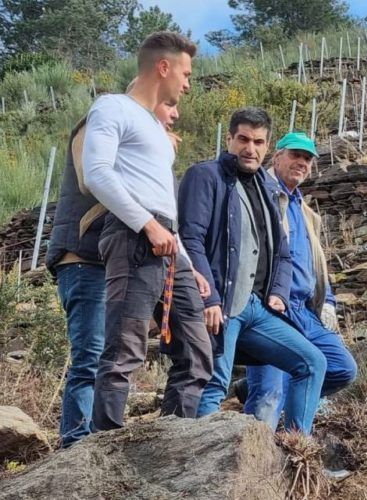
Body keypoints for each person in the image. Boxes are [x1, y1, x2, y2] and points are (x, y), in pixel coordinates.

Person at [46, 84, 200, 445]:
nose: (175, 115)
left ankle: (109, 441)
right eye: (168, 106)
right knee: (93, 355)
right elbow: (90, 180)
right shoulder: (95, 124)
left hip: (116, 260)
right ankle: (77, 447)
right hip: (83, 259)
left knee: (112, 350)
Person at [83, 31, 213, 431]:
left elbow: (165, 203)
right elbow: (97, 173)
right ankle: (104, 453)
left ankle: (170, 443)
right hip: (133, 235)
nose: (188, 84)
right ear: (164, 67)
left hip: (165, 240)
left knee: (196, 353)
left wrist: (188, 263)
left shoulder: (157, 129)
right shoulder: (112, 107)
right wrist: (148, 225)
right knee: (125, 348)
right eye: (186, 73)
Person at [179, 107, 326, 434]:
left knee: (313, 363)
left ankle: (293, 453)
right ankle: (203, 468)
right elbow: (190, 239)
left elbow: (283, 254)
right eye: (243, 139)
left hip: (258, 308)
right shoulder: (205, 176)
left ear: (267, 145)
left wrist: (277, 293)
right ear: (229, 138)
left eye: (258, 141)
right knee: (214, 384)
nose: (250, 148)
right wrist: (209, 298)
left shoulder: (267, 188)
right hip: (223, 304)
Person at [239, 132, 357, 425]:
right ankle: (256, 467)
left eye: (307, 158)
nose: (302, 163)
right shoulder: (260, 195)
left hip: (304, 311)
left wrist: (327, 302)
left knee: (342, 368)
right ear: (277, 156)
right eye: (295, 155)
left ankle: (290, 453)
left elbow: (315, 263)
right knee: (267, 395)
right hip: (272, 309)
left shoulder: (305, 211)